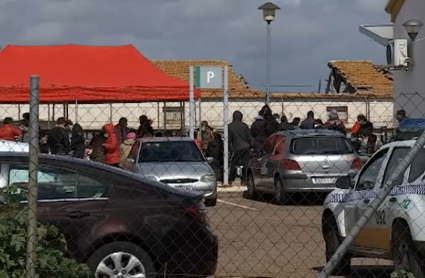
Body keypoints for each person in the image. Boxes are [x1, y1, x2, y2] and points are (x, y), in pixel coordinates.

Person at [229, 111, 253, 185]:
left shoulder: (230, 126)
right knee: (246, 164)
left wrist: (230, 149)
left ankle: (230, 179)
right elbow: (249, 137)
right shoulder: (244, 126)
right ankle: (245, 179)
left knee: (233, 163)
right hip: (246, 146)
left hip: (237, 147)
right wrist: (251, 146)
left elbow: (229, 140)